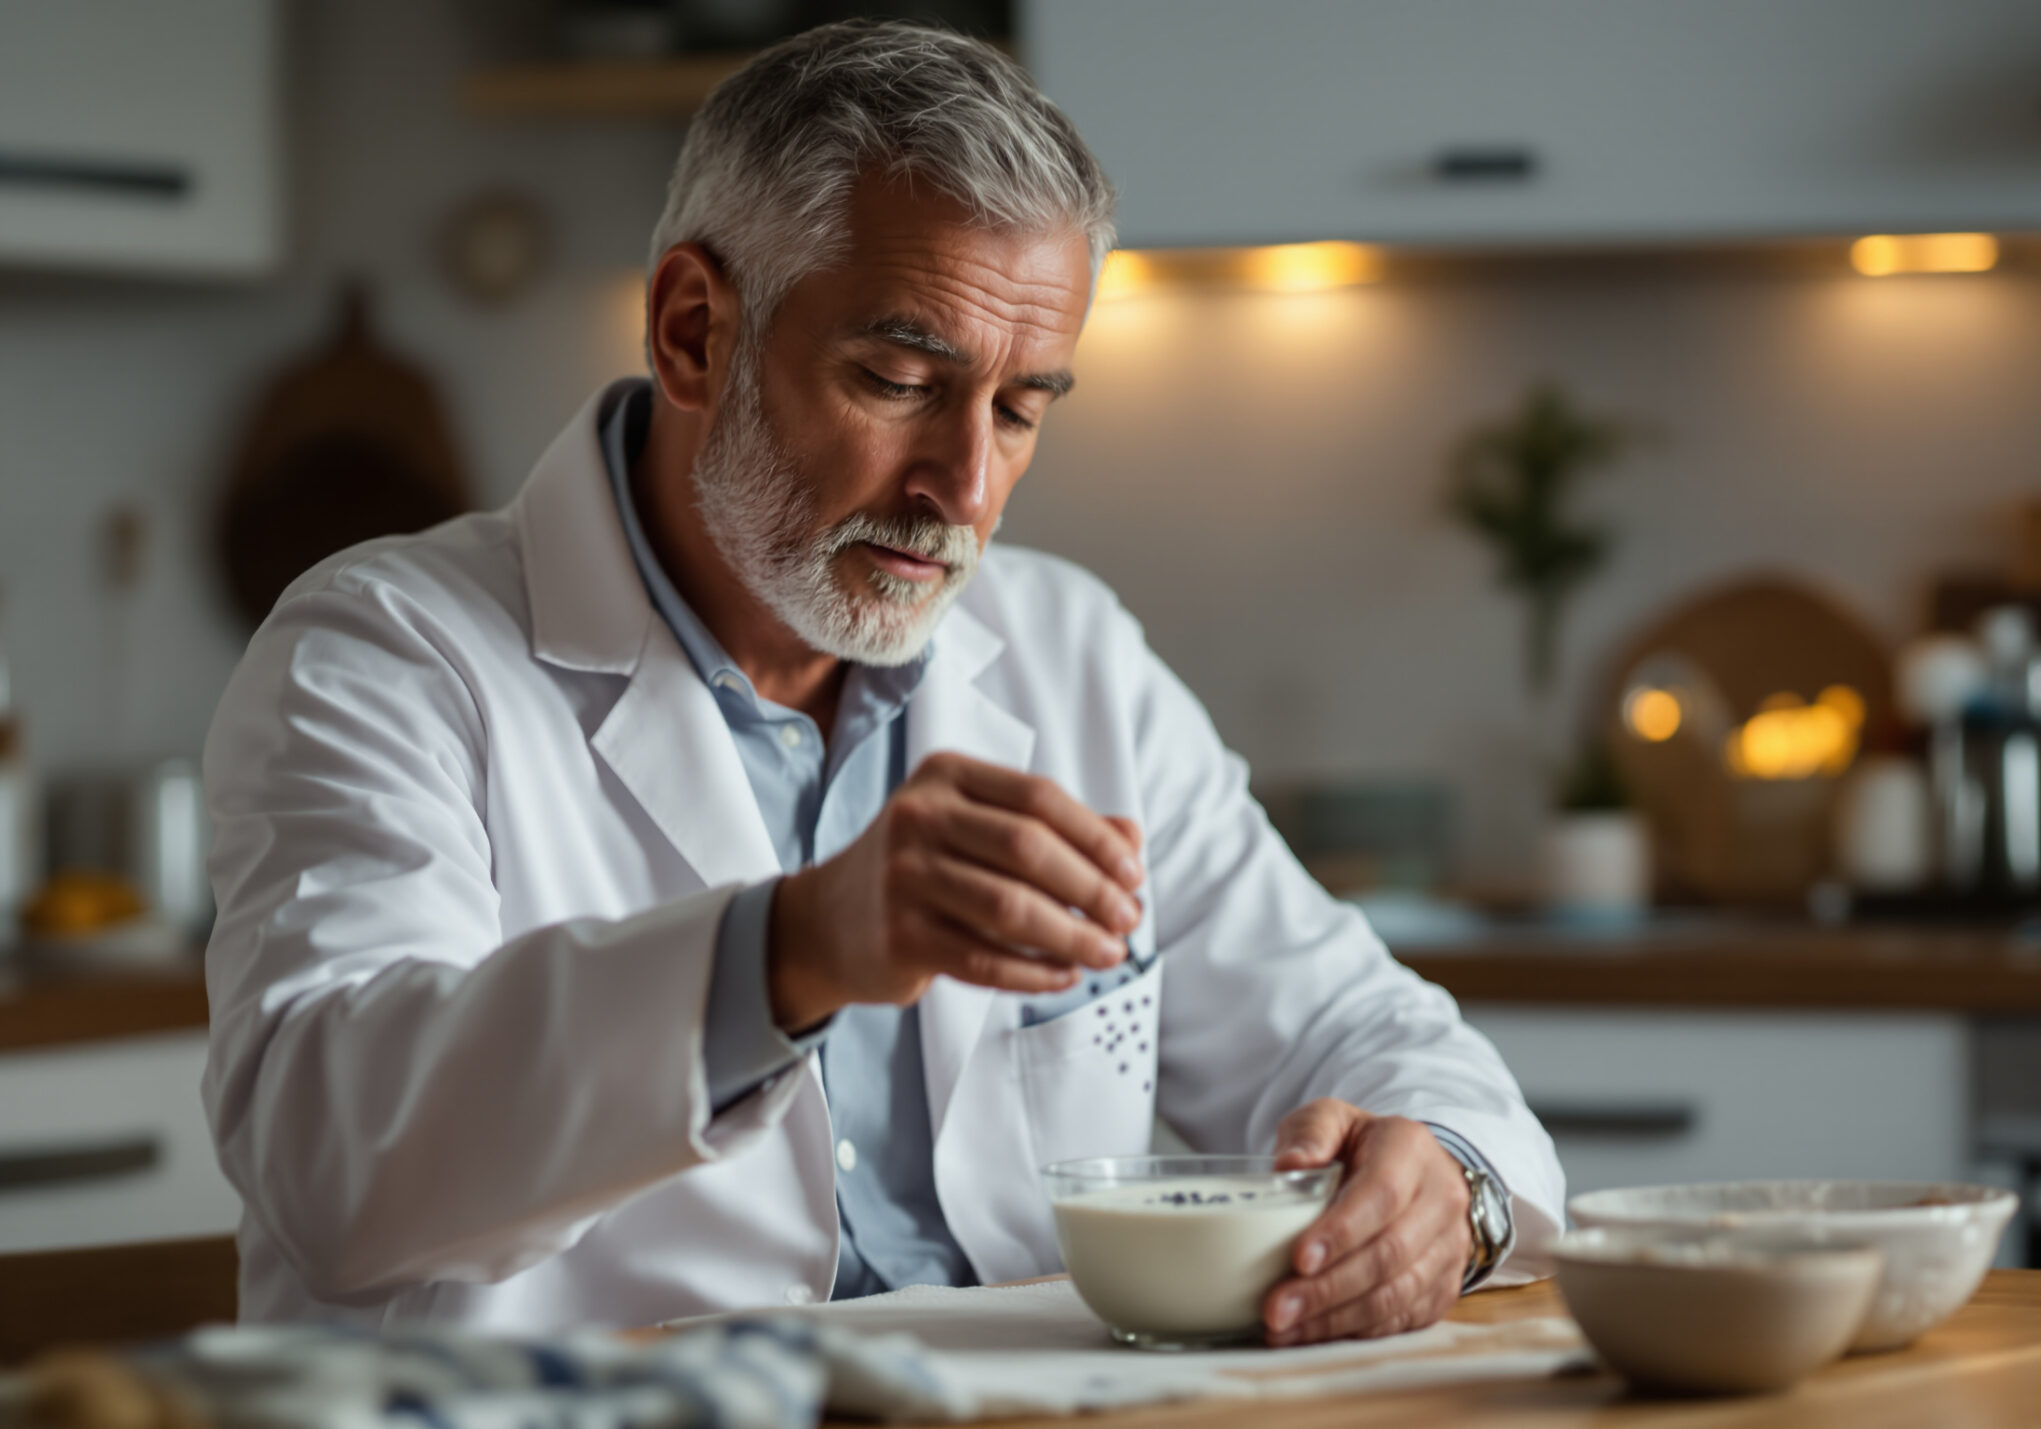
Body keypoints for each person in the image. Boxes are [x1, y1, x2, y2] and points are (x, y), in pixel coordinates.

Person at [201, 20, 1560, 1348]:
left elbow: (1357, 1028)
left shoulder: (1070, 650)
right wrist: (788, 950)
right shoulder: (384, 653)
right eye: (902, 378)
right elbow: (334, 1156)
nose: (963, 488)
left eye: (1022, 409)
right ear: (692, 331)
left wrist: (1452, 1183)